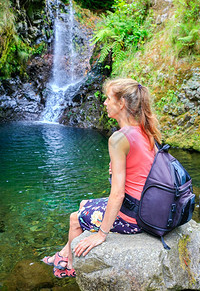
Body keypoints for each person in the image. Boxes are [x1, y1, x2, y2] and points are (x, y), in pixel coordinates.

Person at [42, 78, 161, 278]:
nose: (104, 103)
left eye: (108, 98)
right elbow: (145, 169)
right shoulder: (145, 130)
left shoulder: (119, 138)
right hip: (146, 206)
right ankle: (64, 253)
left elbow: (117, 195)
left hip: (135, 217)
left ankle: (71, 266)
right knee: (83, 203)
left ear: (121, 103)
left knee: (75, 218)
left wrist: (101, 235)